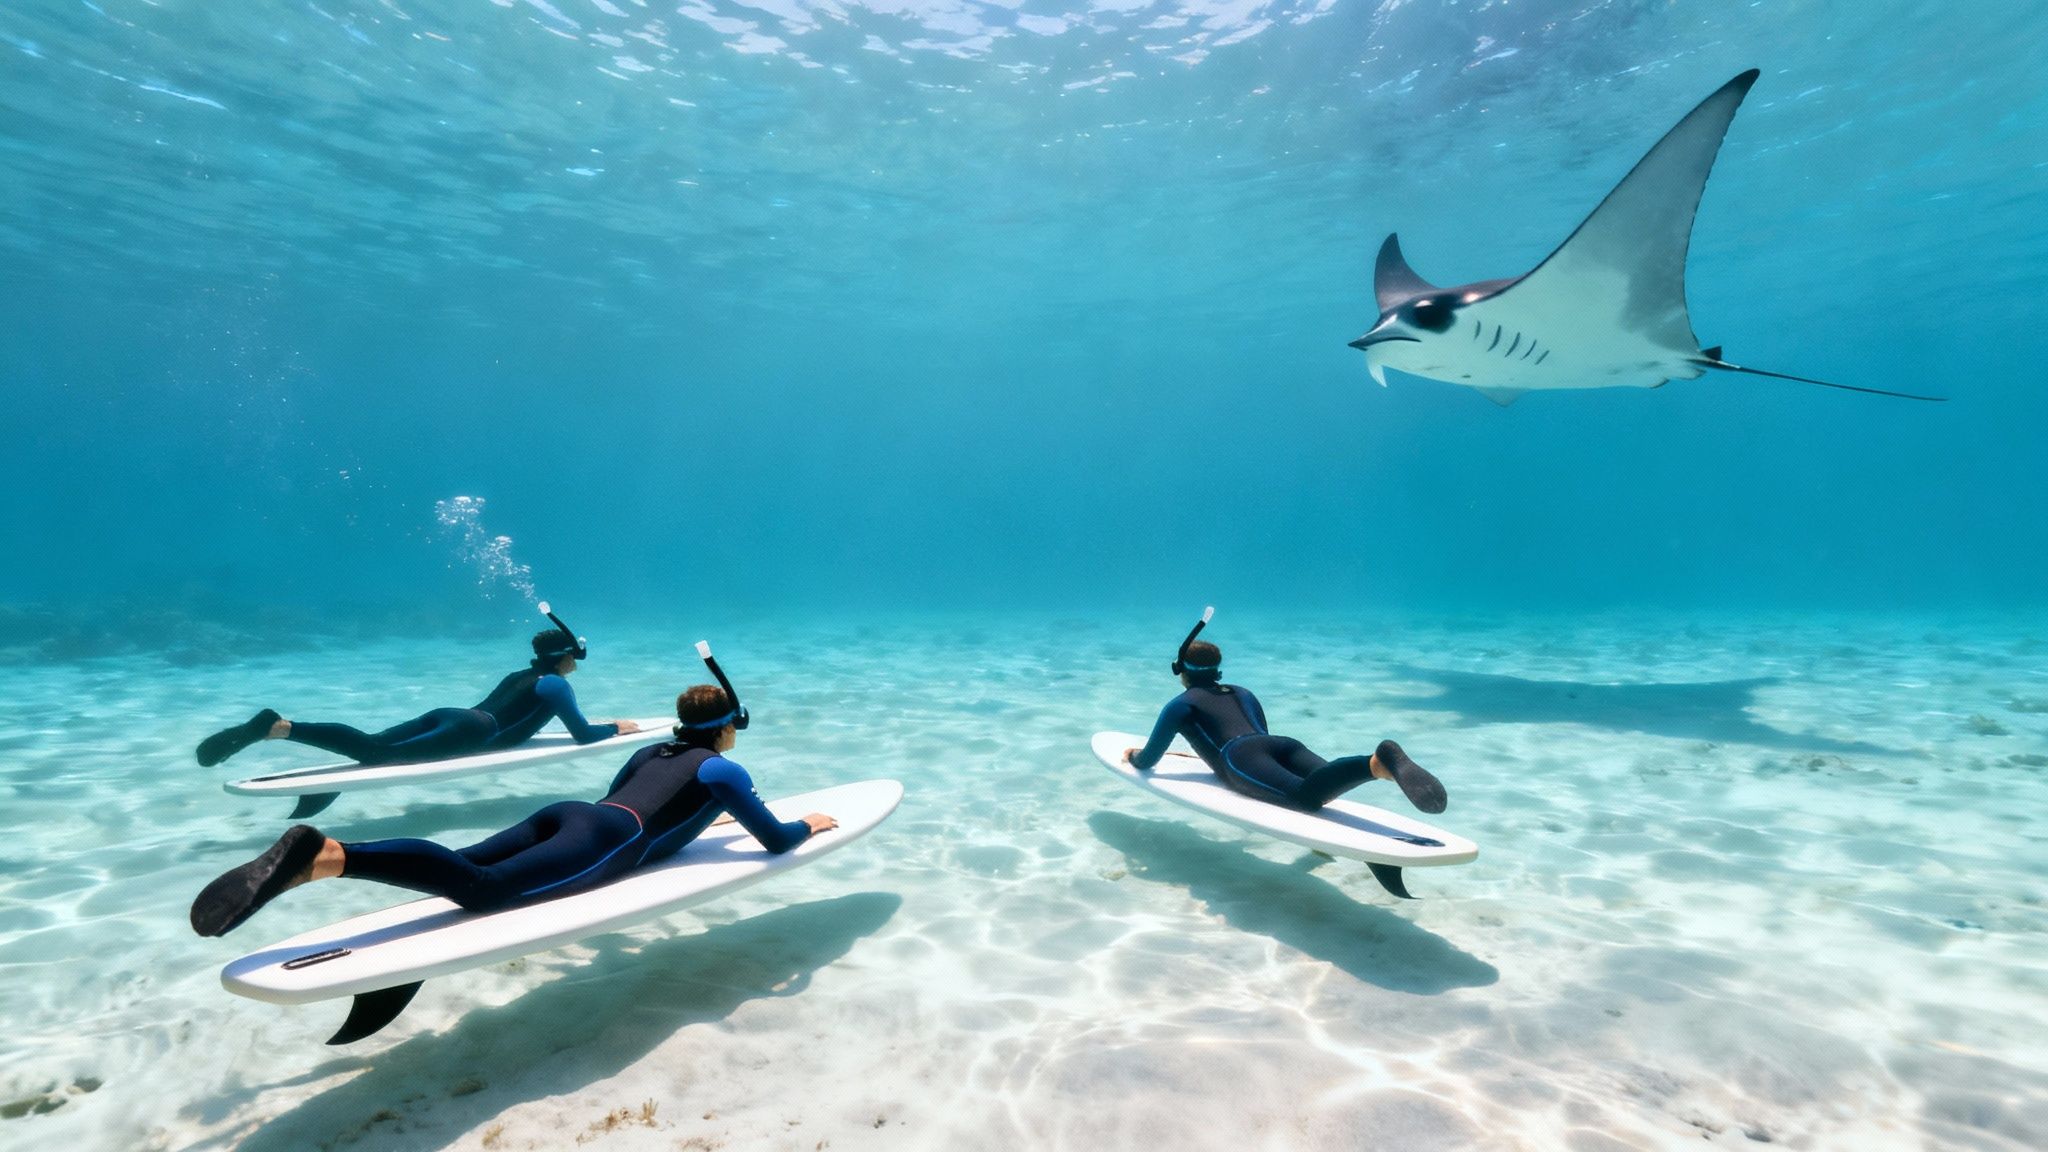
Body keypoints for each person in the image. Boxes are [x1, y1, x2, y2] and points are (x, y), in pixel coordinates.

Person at [190, 681, 837, 937]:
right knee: (483, 892)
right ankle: (329, 854)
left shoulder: (656, 753)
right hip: (605, 840)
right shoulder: (725, 768)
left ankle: (327, 858)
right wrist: (806, 824)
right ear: (730, 726)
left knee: (458, 863)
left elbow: (646, 798)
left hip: (569, 814)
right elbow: (775, 840)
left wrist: (708, 819)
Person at [195, 624, 639, 768]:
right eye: (575, 656)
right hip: (472, 733)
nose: (577, 663)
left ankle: (283, 727)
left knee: (373, 740)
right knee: (373, 754)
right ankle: (279, 728)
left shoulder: (520, 674)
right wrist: (613, 728)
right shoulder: (557, 685)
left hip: (453, 714)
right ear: (564, 658)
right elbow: (581, 735)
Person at [1123, 616, 1446, 814]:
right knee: (1325, 782)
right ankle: (1378, 766)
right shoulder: (1242, 692)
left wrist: (1133, 757)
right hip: (1281, 745)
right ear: (1217, 669)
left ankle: (1378, 762)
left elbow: (1151, 758)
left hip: (1240, 757)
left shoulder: (1182, 704)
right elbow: (1259, 733)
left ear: (1180, 669)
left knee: (1305, 799)